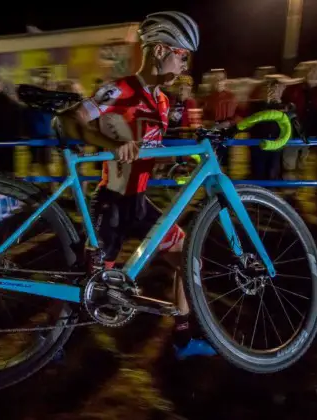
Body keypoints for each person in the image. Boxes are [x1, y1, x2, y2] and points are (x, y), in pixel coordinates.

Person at [56, 11, 216, 359]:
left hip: (140, 203)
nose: (185, 65)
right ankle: (53, 346)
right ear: (160, 50)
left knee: (190, 260)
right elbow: (69, 120)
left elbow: (147, 150)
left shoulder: (162, 100)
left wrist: (171, 161)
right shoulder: (119, 88)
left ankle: (185, 340)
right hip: (111, 203)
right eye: (182, 54)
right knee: (89, 286)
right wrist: (111, 146)